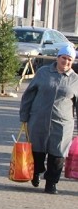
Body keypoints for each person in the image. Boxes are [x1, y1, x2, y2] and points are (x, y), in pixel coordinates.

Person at [19, 44, 78, 194]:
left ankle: (51, 183)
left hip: (63, 123)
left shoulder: (75, 80)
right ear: (58, 58)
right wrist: (24, 115)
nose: (66, 62)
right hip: (39, 119)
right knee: (37, 150)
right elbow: (29, 95)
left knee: (58, 154)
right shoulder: (43, 72)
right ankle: (36, 172)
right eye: (64, 58)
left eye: (69, 60)